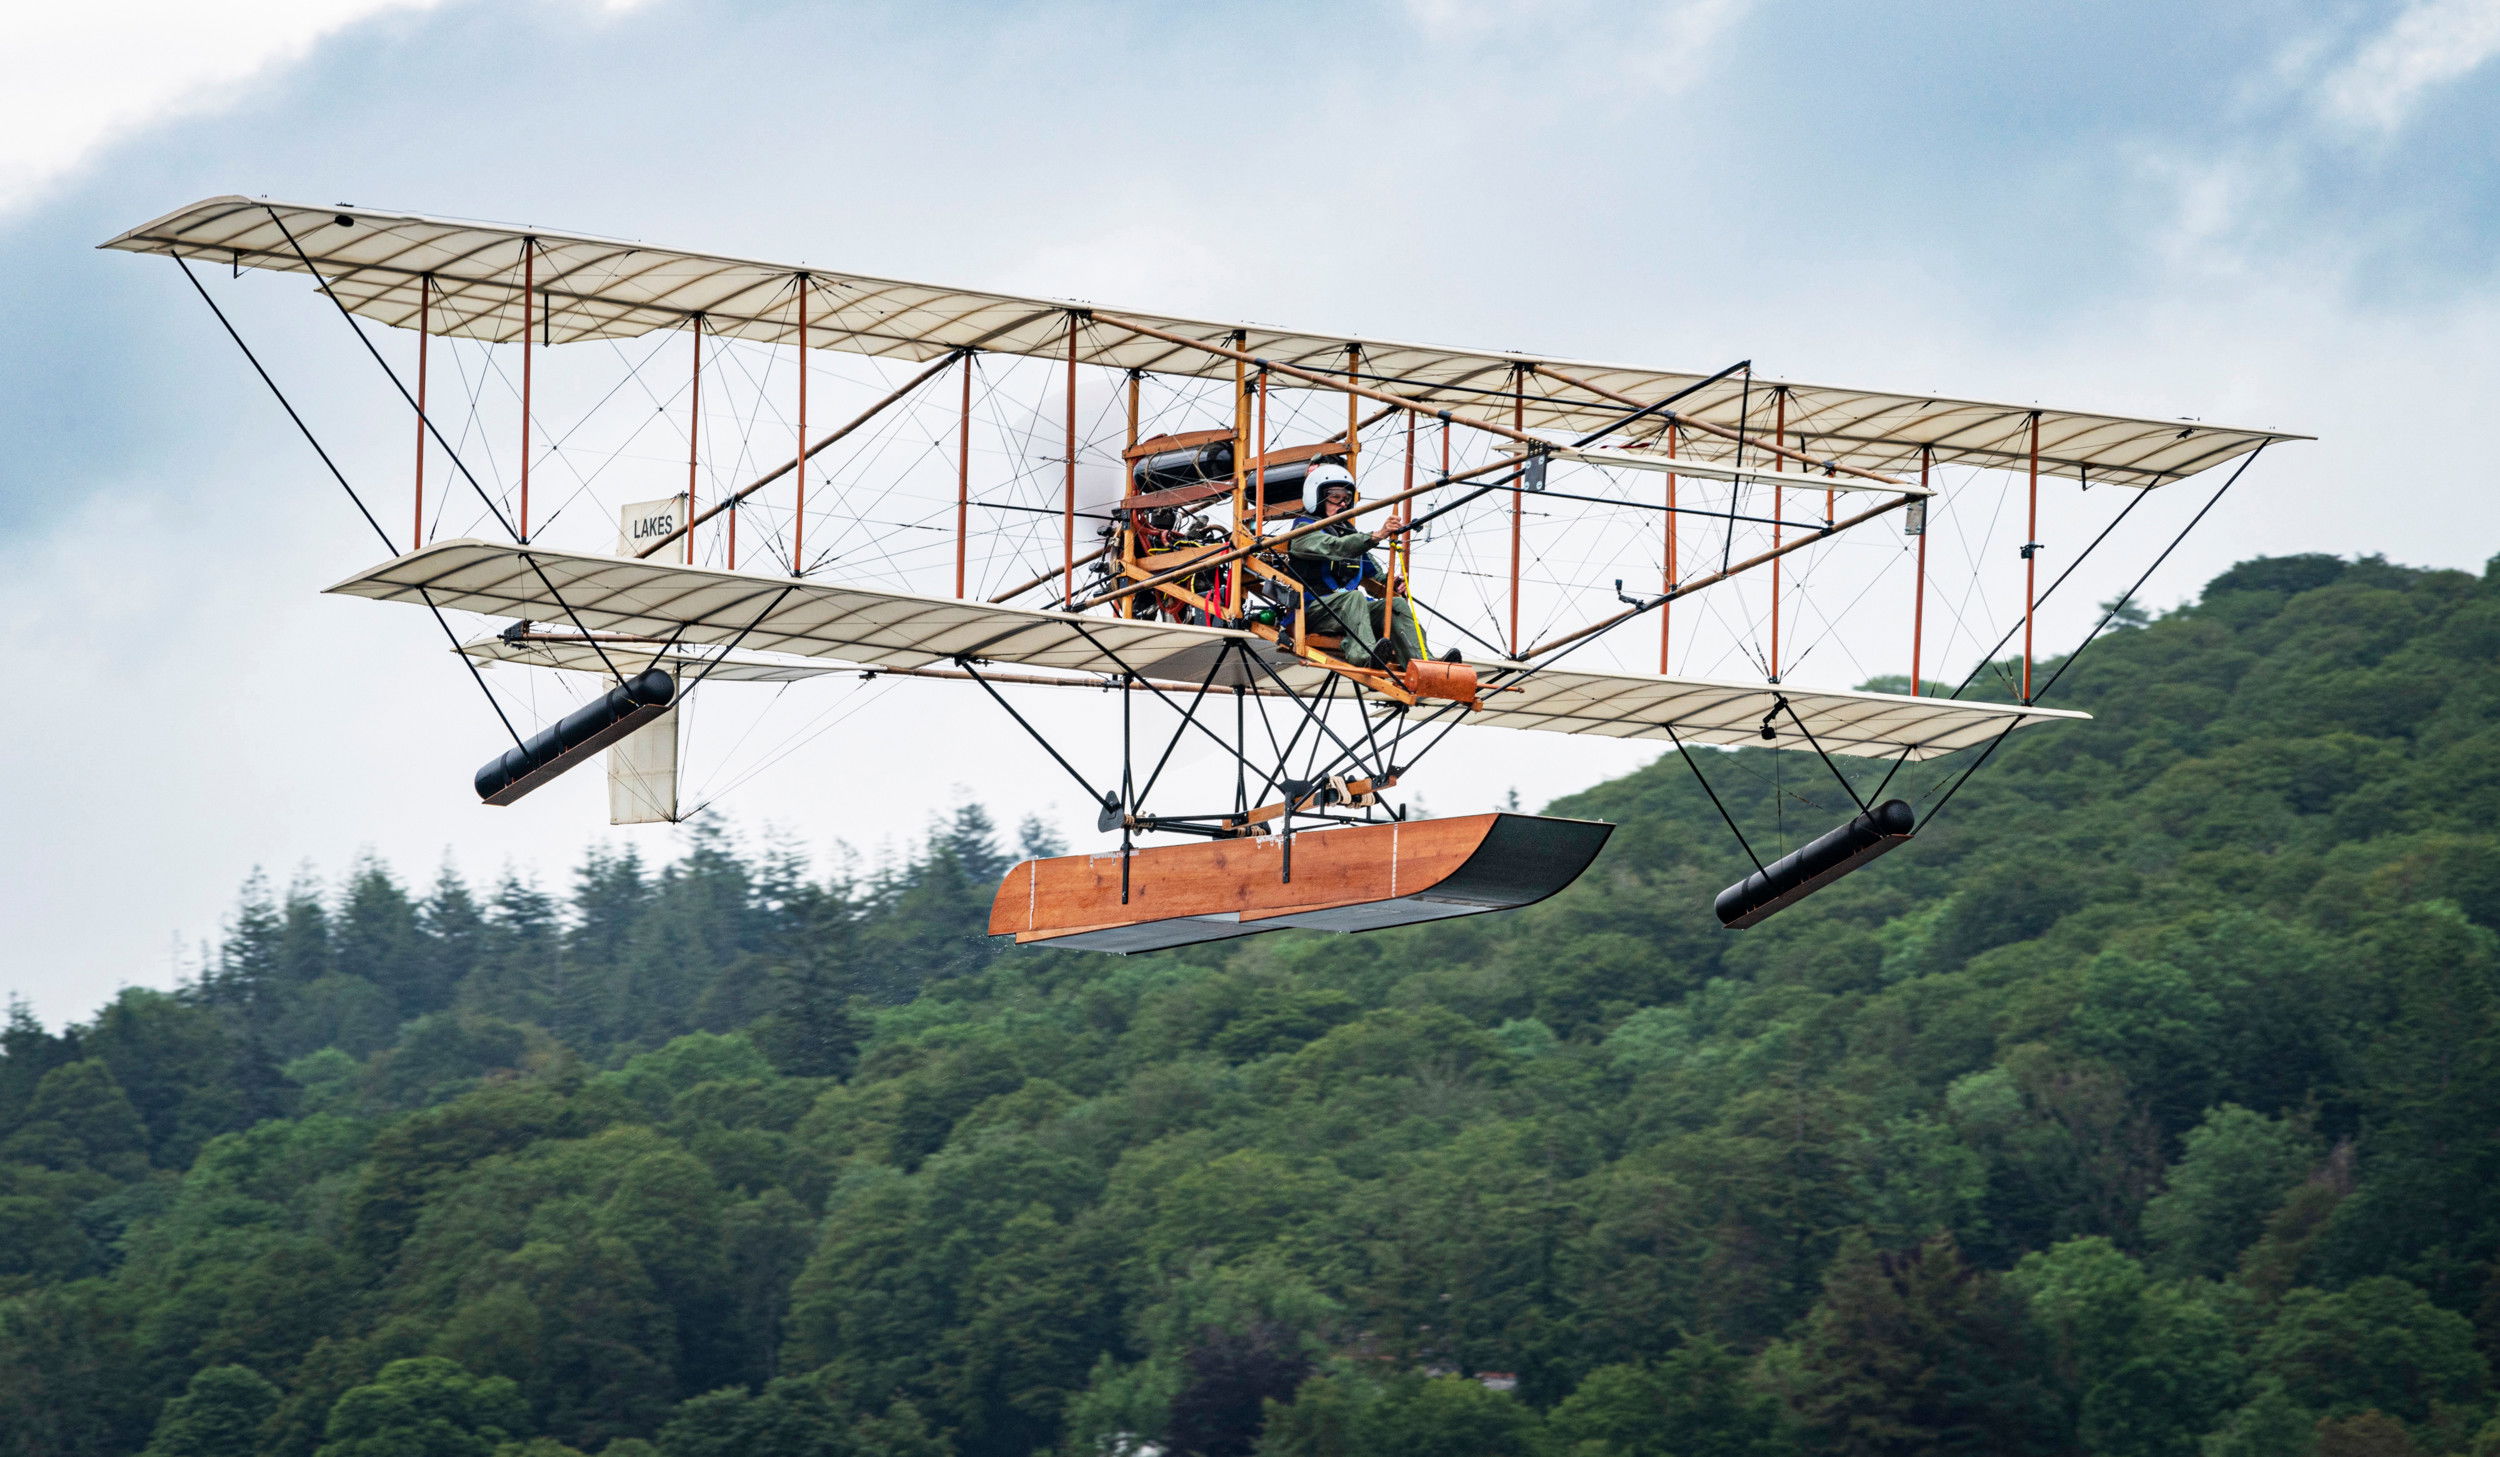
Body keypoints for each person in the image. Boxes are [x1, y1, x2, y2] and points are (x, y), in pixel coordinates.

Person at [1283, 465, 1425, 669]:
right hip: (1313, 610)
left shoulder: (1348, 532)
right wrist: (1376, 536)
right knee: (1354, 598)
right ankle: (1364, 656)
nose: (1342, 503)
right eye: (1335, 497)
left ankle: (1422, 663)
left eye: (1346, 498)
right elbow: (1335, 548)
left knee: (1396, 605)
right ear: (1317, 497)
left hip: (1349, 611)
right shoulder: (1302, 530)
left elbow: (1373, 573)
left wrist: (1391, 583)